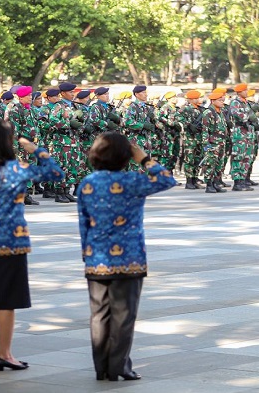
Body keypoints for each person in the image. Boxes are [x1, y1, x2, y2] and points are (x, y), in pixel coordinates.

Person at [77, 132, 176, 382]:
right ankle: (118, 366)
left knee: (99, 314)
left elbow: (83, 223)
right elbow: (167, 179)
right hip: (128, 258)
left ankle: (101, 367)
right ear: (125, 157)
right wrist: (144, 159)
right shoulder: (133, 181)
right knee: (123, 315)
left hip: (96, 257)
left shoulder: (87, 183)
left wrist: (86, 253)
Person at [0, 119, 64, 372]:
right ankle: (6, 353)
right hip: (12, 241)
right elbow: (56, 173)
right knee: (7, 300)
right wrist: (35, 149)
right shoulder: (17, 169)